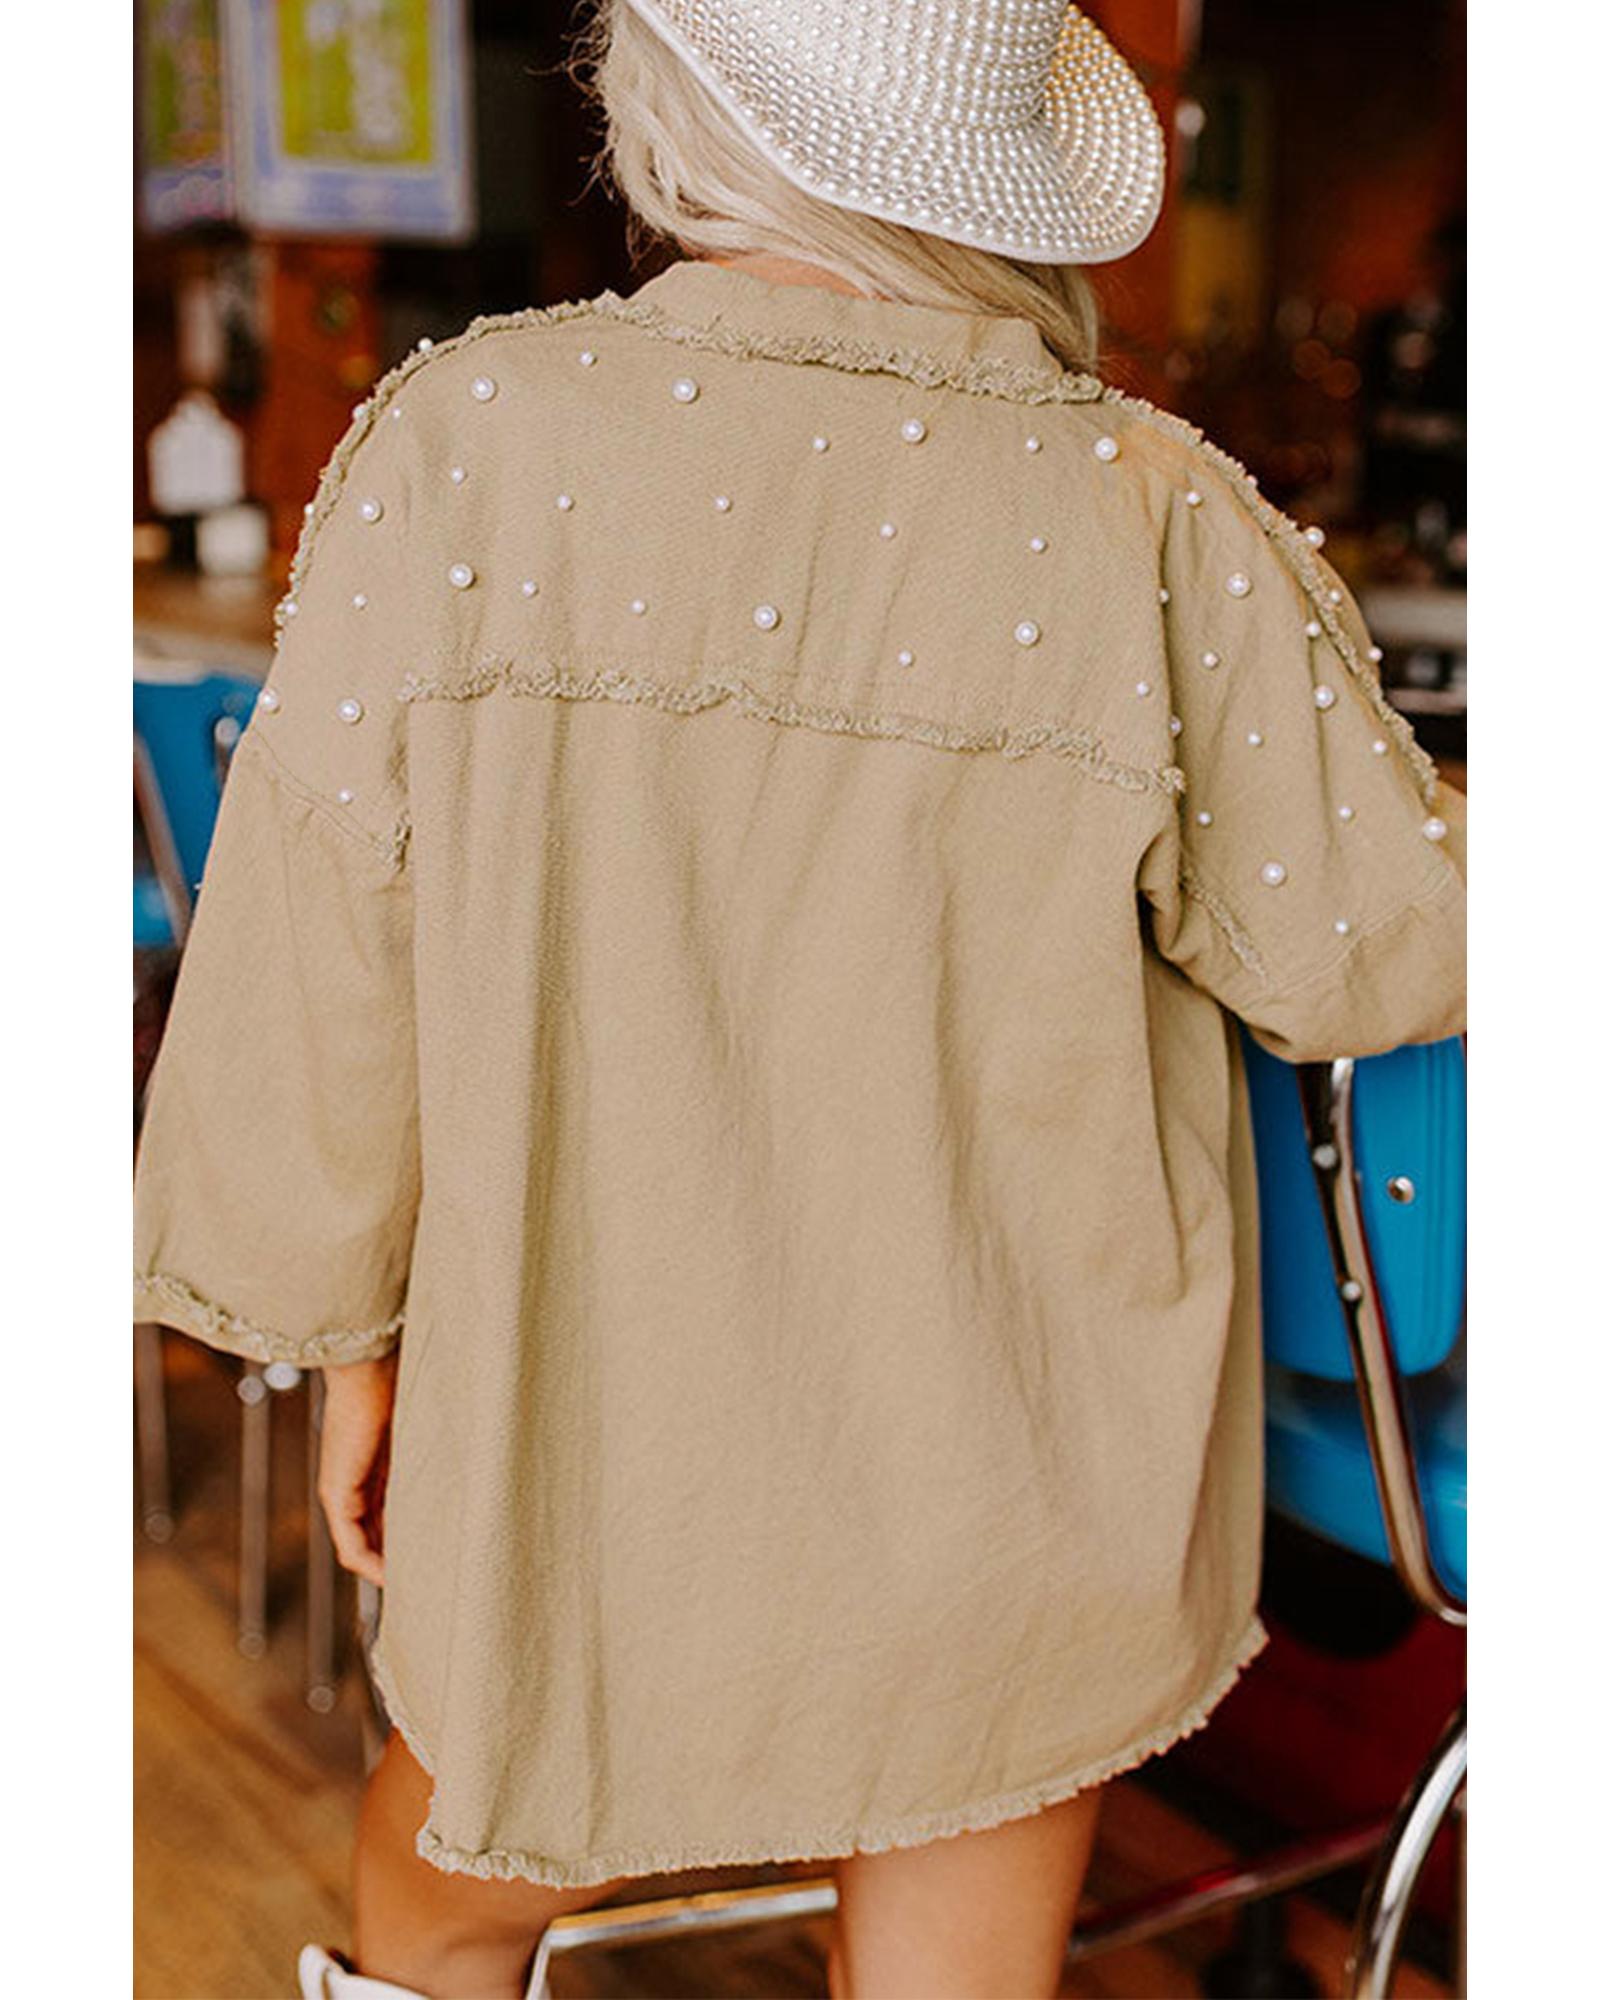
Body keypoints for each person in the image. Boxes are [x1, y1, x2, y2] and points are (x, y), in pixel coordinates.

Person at [131, 4, 1467, 1996]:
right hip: (1013, 1469)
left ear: (669, 95)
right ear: (991, 161)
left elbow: (330, 971)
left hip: (580, 1438)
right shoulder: (1148, 510)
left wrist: (355, 1349)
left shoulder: (467, 441)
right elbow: (1374, 950)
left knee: (441, 1907)